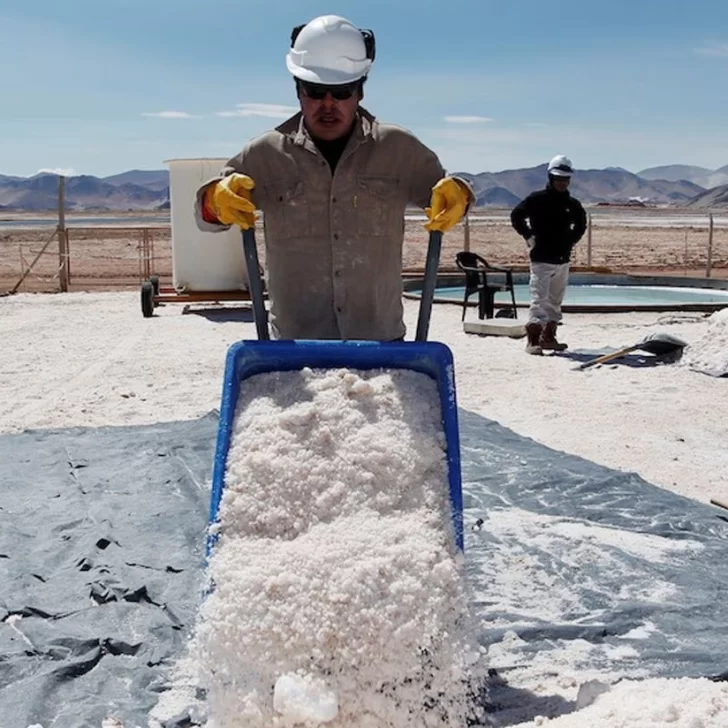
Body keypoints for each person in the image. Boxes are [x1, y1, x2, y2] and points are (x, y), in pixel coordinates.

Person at [194, 14, 474, 341]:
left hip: (380, 344)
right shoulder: (265, 154)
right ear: (298, 90)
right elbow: (205, 218)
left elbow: (449, 194)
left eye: (341, 91)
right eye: (316, 90)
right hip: (294, 347)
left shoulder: (400, 149)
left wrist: (461, 195)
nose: (328, 104)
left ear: (360, 92)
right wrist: (214, 200)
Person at [510, 154, 587, 355]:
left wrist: (570, 240)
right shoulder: (537, 200)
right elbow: (516, 215)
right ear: (550, 178)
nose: (562, 183)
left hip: (562, 259)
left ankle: (549, 336)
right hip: (541, 258)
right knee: (539, 299)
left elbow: (581, 224)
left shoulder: (573, 204)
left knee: (555, 300)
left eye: (565, 179)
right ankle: (533, 339)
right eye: (558, 179)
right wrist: (528, 236)